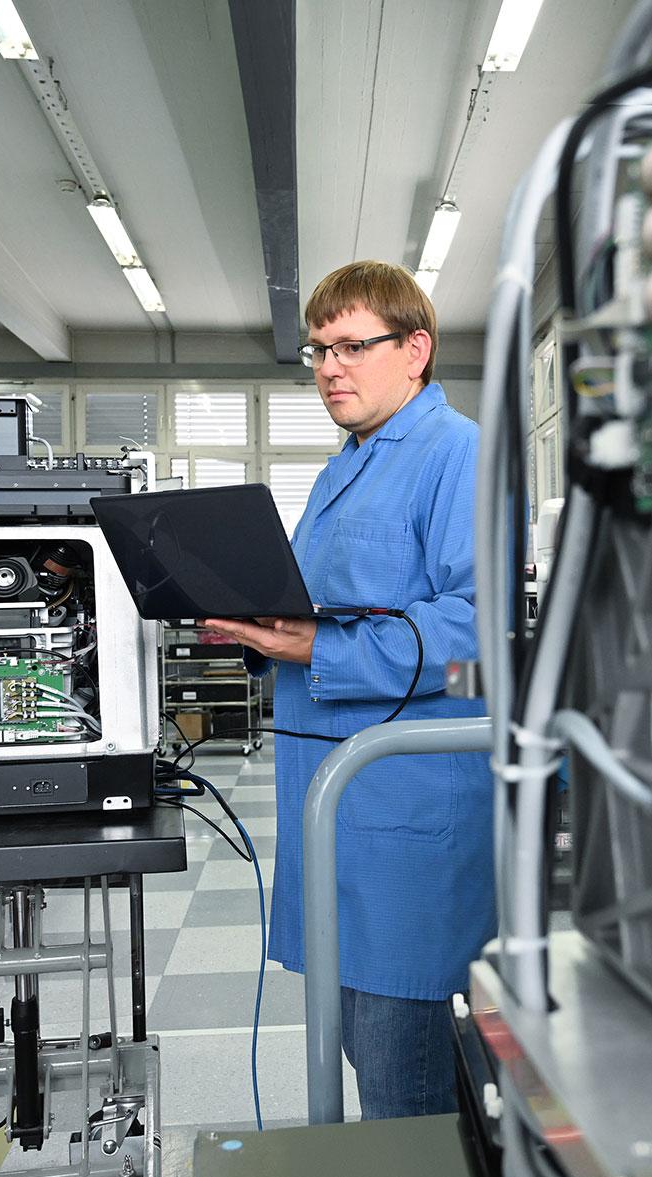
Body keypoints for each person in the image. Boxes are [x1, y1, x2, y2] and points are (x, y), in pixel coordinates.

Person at [206, 260, 493, 1120]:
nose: (330, 366)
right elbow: (318, 614)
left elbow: (475, 627)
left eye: (351, 346)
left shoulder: (458, 454)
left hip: (404, 812)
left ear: (415, 351)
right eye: (318, 350)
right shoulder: (344, 469)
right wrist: (255, 626)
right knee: (358, 1048)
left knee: (397, 1080)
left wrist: (318, 644)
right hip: (335, 804)